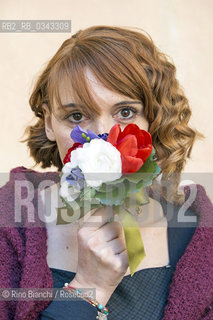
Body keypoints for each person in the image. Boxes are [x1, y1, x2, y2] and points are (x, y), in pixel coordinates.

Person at [0, 25, 212, 320]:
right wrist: (89, 287)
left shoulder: (196, 232)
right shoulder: (9, 224)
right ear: (49, 123)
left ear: (152, 117)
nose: (102, 135)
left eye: (125, 112)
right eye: (77, 116)